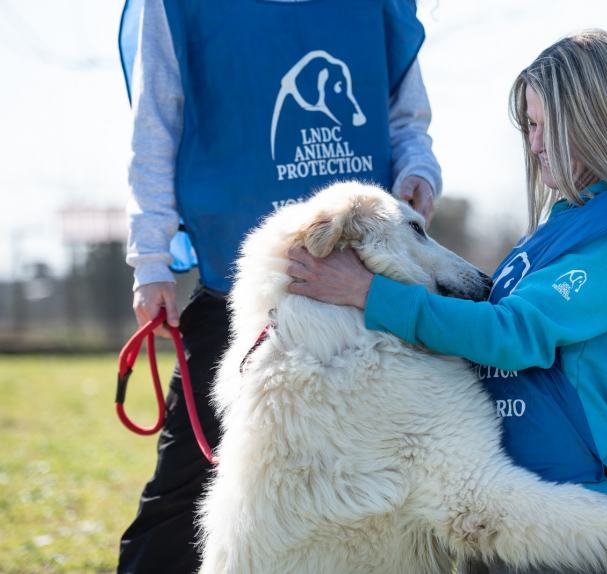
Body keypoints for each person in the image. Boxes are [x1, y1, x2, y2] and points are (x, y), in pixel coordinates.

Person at [286, 29, 607, 573]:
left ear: (595, 121)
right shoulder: (568, 223)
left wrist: (369, 293)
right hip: (502, 495)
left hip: (566, 508)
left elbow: (513, 335)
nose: (532, 145)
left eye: (543, 126)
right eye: (528, 126)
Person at [116, 0, 442, 571]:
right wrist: (150, 261)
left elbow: (406, 119)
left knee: (378, 483)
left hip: (362, 294)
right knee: (186, 488)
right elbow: (156, 123)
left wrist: (418, 172)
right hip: (240, 294)